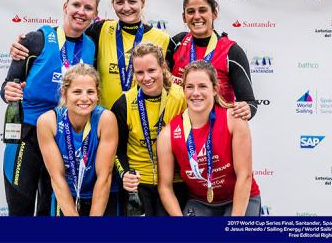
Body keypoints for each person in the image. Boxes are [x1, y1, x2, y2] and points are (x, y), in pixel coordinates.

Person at [0, 0, 100, 216]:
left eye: (88, 8)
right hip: (28, 135)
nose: (80, 12)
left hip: (64, 138)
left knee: (52, 209)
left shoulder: (92, 46)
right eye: (76, 5)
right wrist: (8, 91)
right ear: (65, 6)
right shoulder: (36, 39)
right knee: (20, 208)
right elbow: (9, 84)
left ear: (95, 15)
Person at [10, 0, 171, 110]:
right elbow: (69, 33)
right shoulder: (100, 29)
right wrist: (28, 42)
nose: (126, 7)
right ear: (113, 4)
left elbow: (170, 83)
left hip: (143, 121)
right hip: (104, 118)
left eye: (132, 1)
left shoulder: (163, 39)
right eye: (120, 2)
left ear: (142, 2)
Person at [157, 61, 261, 216]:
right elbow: (165, 187)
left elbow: (244, 176)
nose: (195, 93)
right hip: (200, 202)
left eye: (202, 86)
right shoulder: (168, 134)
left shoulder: (234, 119)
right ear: (183, 90)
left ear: (215, 89)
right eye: (190, 87)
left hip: (239, 198)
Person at [111, 43, 187, 216]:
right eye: (139, 72)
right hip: (139, 183)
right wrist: (124, 175)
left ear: (163, 67)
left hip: (175, 182)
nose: (146, 78)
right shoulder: (123, 104)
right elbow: (117, 150)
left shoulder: (182, 97)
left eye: (151, 70)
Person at [37, 64, 118, 216]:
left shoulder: (105, 119)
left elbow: (104, 177)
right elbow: (57, 177)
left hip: (101, 194)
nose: (85, 98)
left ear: (97, 94)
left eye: (90, 92)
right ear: (64, 94)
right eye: (77, 92)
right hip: (67, 194)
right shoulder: (48, 122)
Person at [166, 0, 257, 120]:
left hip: (217, 131)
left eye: (202, 10)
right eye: (190, 11)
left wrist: (247, 109)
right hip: (181, 131)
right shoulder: (177, 42)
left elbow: (250, 103)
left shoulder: (231, 51)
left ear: (214, 13)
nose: (196, 16)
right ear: (184, 17)